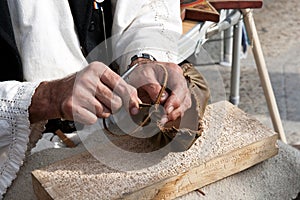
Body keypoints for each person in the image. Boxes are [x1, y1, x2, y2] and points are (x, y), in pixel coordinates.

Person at [0, 0, 193, 197]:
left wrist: (142, 59)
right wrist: (46, 97)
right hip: (19, 154)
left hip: (106, 133)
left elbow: (146, 9)